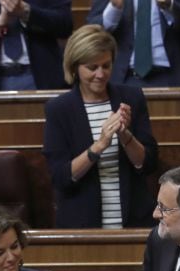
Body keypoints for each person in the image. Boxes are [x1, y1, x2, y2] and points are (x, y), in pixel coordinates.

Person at [43, 25, 157, 229]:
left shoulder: (131, 98)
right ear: (75, 67)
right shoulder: (59, 109)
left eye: (106, 66)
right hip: (82, 223)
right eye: (92, 67)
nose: (100, 74)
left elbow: (148, 164)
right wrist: (99, 146)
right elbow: (60, 176)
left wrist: (125, 136)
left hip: (133, 219)